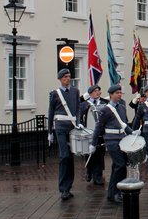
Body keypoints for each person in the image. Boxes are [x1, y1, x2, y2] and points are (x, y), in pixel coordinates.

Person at [89, 84, 138, 204]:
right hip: (111, 140)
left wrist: (133, 133)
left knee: (119, 166)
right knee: (120, 165)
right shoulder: (105, 109)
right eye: (117, 93)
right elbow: (98, 127)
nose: (119, 95)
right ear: (111, 95)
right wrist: (93, 143)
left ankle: (114, 193)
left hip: (122, 139)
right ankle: (115, 193)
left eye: (120, 93)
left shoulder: (121, 107)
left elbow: (124, 124)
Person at [48, 68, 82, 201]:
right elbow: (51, 112)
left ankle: (68, 186)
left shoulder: (75, 91)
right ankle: (63, 189)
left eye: (69, 76)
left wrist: (79, 122)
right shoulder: (54, 94)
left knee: (71, 157)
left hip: (73, 126)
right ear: (60, 79)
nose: (68, 79)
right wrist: (50, 131)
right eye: (65, 77)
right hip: (61, 127)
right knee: (64, 156)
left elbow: (78, 109)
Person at [79, 85, 106, 185]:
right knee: (90, 154)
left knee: (100, 154)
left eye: (99, 90)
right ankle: (89, 171)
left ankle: (98, 176)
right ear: (90, 93)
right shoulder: (84, 104)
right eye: (95, 91)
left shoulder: (104, 103)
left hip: (101, 133)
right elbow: (79, 115)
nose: (97, 92)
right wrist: (80, 123)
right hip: (88, 133)